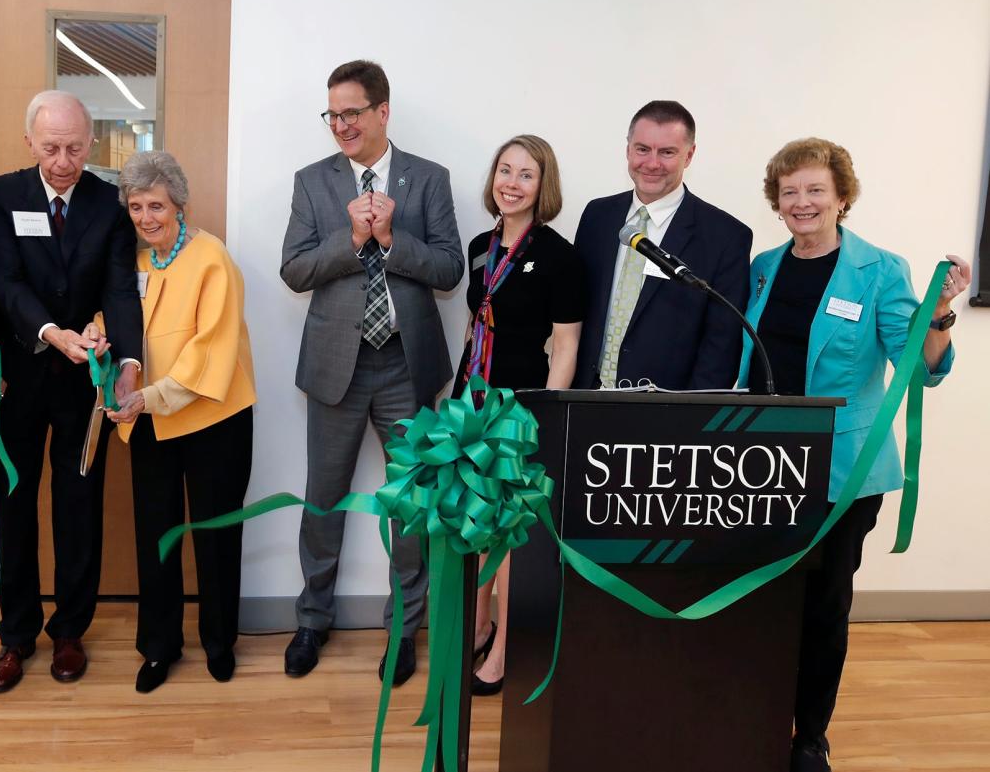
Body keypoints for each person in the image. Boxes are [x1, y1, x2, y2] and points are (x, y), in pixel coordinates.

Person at [737, 137, 969, 772]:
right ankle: (751, 719)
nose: (802, 202)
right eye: (789, 192)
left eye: (815, 190)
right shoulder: (762, 267)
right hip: (756, 467)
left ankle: (809, 736)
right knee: (758, 602)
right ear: (776, 204)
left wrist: (940, 313)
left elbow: (917, 370)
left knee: (823, 608)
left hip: (843, 472)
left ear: (842, 197)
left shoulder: (880, 270)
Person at [280, 60, 464, 684]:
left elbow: (448, 271)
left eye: (351, 113)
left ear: (383, 112)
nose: (340, 125)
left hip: (407, 368)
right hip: (336, 367)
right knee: (322, 501)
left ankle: (403, 630)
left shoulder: (429, 179)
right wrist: (352, 239)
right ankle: (312, 619)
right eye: (332, 114)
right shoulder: (313, 182)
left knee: (410, 506)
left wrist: (390, 240)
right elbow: (295, 270)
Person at [0, 90, 143, 692]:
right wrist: (50, 331)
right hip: (18, 378)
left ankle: (70, 630)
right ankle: (16, 636)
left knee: (79, 508)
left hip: (83, 386)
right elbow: (4, 280)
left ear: (90, 143)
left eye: (75, 147)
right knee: (15, 507)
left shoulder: (109, 202)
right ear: (29, 142)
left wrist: (128, 360)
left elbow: (122, 287)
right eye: (51, 147)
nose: (64, 160)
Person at [95, 151, 256, 692]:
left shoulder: (212, 258)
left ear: (179, 205)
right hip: (152, 421)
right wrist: (99, 341)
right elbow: (115, 321)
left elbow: (211, 348)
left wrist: (151, 396)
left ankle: (218, 642)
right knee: (156, 535)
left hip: (214, 416)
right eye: (136, 206)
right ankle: (159, 647)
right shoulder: (135, 263)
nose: (146, 217)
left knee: (215, 533)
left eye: (156, 205)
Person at [452, 135, 584, 696]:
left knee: (509, 533)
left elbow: (566, 346)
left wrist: (543, 421)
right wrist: (456, 396)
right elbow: (476, 323)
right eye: (504, 170)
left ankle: (506, 645)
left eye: (525, 175)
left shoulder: (560, 256)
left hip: (520, 409)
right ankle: (478, 625)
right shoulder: (481, 244)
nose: (511, 182)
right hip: (473, 404)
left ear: (542, 186)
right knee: (476, 527)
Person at [573, 101, 751, 390]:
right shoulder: (597, 216)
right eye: (642, 149)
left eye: (667, 152)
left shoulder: (726, 236)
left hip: (666, 413)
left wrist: (690, 420)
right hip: (584, 399)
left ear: (689, 155)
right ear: (628, 149)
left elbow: (722, 343)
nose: (652, 163)